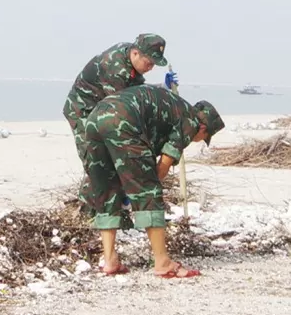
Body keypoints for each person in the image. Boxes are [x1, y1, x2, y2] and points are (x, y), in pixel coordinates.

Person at [82, 85, 224, 278]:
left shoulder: (175, 106)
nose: (197, 140)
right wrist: (142, 187)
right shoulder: (190, 120)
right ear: (203, 128)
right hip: (123, 120)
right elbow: (162, 167)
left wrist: (126, 184)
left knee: (106, 189)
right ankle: (162, 262)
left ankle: (110, 260)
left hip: (96, 117)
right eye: (203, 138)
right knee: (148, 190)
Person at [62, 33, 172, 214]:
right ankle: (87, 214)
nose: (150, 68)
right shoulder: (114, 68)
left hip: (104, 109)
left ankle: (110, 208)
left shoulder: (131, 58)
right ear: (136, 53)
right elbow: (124, 106)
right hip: (83, 110)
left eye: (154, 64)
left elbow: (135, 92)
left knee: (112, 158)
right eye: (149, 63)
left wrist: (161, 87)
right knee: (97, 160)